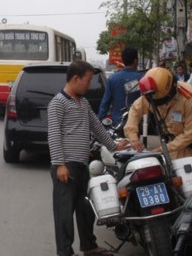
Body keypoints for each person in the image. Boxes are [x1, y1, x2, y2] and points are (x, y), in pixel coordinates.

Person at [47, 61, 131, 256]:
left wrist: (114, 145)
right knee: (64, 214)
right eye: (87, 80)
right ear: (76, 79)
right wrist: (59, 164)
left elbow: (97, 128)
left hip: (81, 166)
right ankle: (65, 251)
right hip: (65, 167)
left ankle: (89, 246)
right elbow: (54, 135)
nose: (89, 85)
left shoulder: (82, 103)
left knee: (86, 209)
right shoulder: (58, 103)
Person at [124, 67, 192, 160]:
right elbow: (135, 111)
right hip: (166, 143)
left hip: (186, 148)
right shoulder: (151, 95)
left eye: (162, 101)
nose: (162, 105)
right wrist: (133, 138)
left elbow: (190, 135)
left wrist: (162, 150)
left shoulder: (190, 97)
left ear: (171, 92)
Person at [98, 48, 143, 126]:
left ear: (123, 60)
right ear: (136, 60)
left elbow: (105, 102)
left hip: (117, 122)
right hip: (135, 123)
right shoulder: (141, 79)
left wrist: (100, 120)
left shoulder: (112, 79)